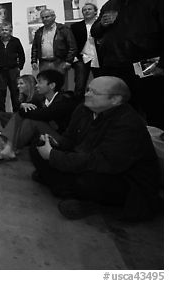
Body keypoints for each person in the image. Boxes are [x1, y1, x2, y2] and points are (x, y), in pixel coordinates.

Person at [31, 76, 161, 221]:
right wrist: (55, 144)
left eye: (94, 92)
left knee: (87, 181)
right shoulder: (83, 109)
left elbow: (103, 162)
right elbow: (70, 139)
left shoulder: (128, 123)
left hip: (121, 178)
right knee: (37, 146)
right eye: (88, 90)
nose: (87, 95)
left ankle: (81, 197)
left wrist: (53, 156)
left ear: (116, 99)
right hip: (88, 160)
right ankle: (64, 187)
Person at [90, 0, 163, 129]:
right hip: (116, 66)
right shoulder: (112, 3)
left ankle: (159, 152)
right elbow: (95, 31)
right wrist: (102, 24)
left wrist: (163, 65)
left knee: (154, 110)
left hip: (148, 64)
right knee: (121, 113)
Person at [0, 70, 77, 163]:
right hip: (46, 134)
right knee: (22, 117)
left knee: (32, 121)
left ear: (52, 85)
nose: (36, 85)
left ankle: (9, 146)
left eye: (40, 82)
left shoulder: (63, 101)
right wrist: (23, 106)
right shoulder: (41, 99)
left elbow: (43, 115)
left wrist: (24, 109)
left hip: (62, 140)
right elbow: (24, 112)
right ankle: (9, 147)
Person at [0, 23, 25, 113]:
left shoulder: (16, 41)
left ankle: (17, 114)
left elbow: (22, 55)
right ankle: (2, 114)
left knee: (15, 93)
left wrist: (19, 67)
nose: (4, 31)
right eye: (2, 30)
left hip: (13, 71)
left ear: (10, 30)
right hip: (0, 72)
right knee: (1, 94)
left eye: (6, 30)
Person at [70, 3, 102, 100]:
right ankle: (77, 108)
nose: (87, 11)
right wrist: (73, 57)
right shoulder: (76, 27)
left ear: (95, 11)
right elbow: (72, 43)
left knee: (101, 84)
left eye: (89, 9)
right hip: (82, 57)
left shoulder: (102, 24)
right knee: (80, 85)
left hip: (99, 58)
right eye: (84, 10)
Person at [31, 8, 77, 73]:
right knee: (45, 82)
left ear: (54, 17)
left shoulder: (63, 29)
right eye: (43, 18)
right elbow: (35, 47)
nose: (44, 19)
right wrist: (34, 61)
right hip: (43, 63)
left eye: (47, 17)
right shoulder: (39, 31)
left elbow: (72, 46)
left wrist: (69, 61)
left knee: (60, 82)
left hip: (59, 62)